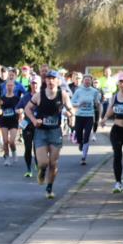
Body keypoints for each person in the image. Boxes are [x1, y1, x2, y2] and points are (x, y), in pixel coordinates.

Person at [25, 69, 74, 199]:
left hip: (55, 132)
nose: (50, 81)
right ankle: (41, 172)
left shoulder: (62, 95)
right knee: (43, 163)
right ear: (45, 80)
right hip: (41, 132)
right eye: (48, 79)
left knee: (53, 163)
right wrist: (34, 120)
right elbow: (27, 109)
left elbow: (70, 109)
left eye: (53, 79)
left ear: (58, 81)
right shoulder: (39, 95)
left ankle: (49, 188)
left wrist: (71, 116)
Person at [71, 73, 100, 166]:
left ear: (91, 81)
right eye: (85, 80)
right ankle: (80, 142)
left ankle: (84, 157)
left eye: (89, 80)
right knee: (79, 135)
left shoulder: (94, 91)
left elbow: (96, 102)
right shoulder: (78, 91)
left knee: (87, 135)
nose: (87, 81)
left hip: (89, 116)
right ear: (83, 81)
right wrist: (79, 104)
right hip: (79, 115)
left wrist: (97, 104)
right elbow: (72, 103)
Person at [16, 76, 41, 179]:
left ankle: (38, 165)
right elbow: (17, 108)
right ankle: (28, 169)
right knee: (28, 148)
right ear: (30, 84)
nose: (34, 85)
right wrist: (20, 111)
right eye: (32, 83)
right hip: (27, 125)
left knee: (37, 148)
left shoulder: (43, 96)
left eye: (36, 83)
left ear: (39, 84)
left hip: (39, 125)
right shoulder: (25, 97)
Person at [0, 76, 25, 166]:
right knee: (5, 141)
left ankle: (14, 153)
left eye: (11, 85)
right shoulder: (2, 98)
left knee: (12, 141)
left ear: (14, 87)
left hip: (13, 121)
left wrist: (20, 113)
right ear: (5, 86)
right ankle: (7, 158)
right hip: (4, 121)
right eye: (8, 85)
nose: (9, 87)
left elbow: (21, 109)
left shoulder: (17, 99)